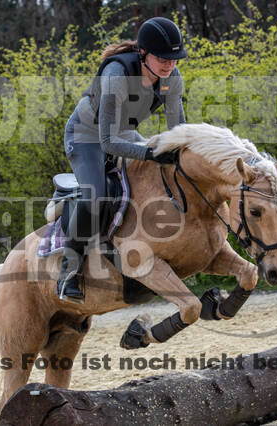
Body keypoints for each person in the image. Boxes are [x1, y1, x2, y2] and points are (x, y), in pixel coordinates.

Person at [57, 17, 188, 302]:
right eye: (163, 58)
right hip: (87, 137)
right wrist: (151, 153)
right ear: (143, 53)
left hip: (125, 134)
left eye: (174, 59)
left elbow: (179, 131)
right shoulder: (117, 74)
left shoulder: (171, 80)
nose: (170, 65)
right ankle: (69, 271)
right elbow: (107, 142)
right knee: (96, 196)